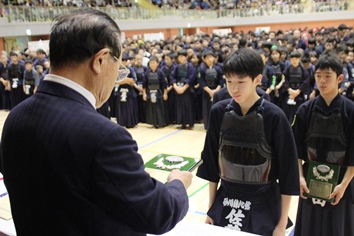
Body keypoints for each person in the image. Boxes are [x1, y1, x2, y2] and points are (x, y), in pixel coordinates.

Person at [0, 8, 192, 236]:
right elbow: (159, 214)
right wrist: (177, 183)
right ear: (100, 60)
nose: (116, 79)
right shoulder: (103, 137)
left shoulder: (16, 117)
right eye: (118, 69)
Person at [196, 48, 299, 236]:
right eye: (229, 82)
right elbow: (211, 163)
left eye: (241, 82)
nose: (234, 89)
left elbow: (288, 173)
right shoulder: (218, 112)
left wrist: (282, 223)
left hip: (263, 202)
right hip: (226, 199)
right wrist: (211, 209)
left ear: (257, 79)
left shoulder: (275, 116)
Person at [293, 53, 354, 236]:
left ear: (340, 78)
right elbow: (297, 149)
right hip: (310, 181)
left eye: (328, 76)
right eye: (318, 76)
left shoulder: (350, 111)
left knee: (338, 227)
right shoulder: (305, 110)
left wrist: (343, 185)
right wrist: (300, 178)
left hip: (341, 183)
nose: (322, 81)